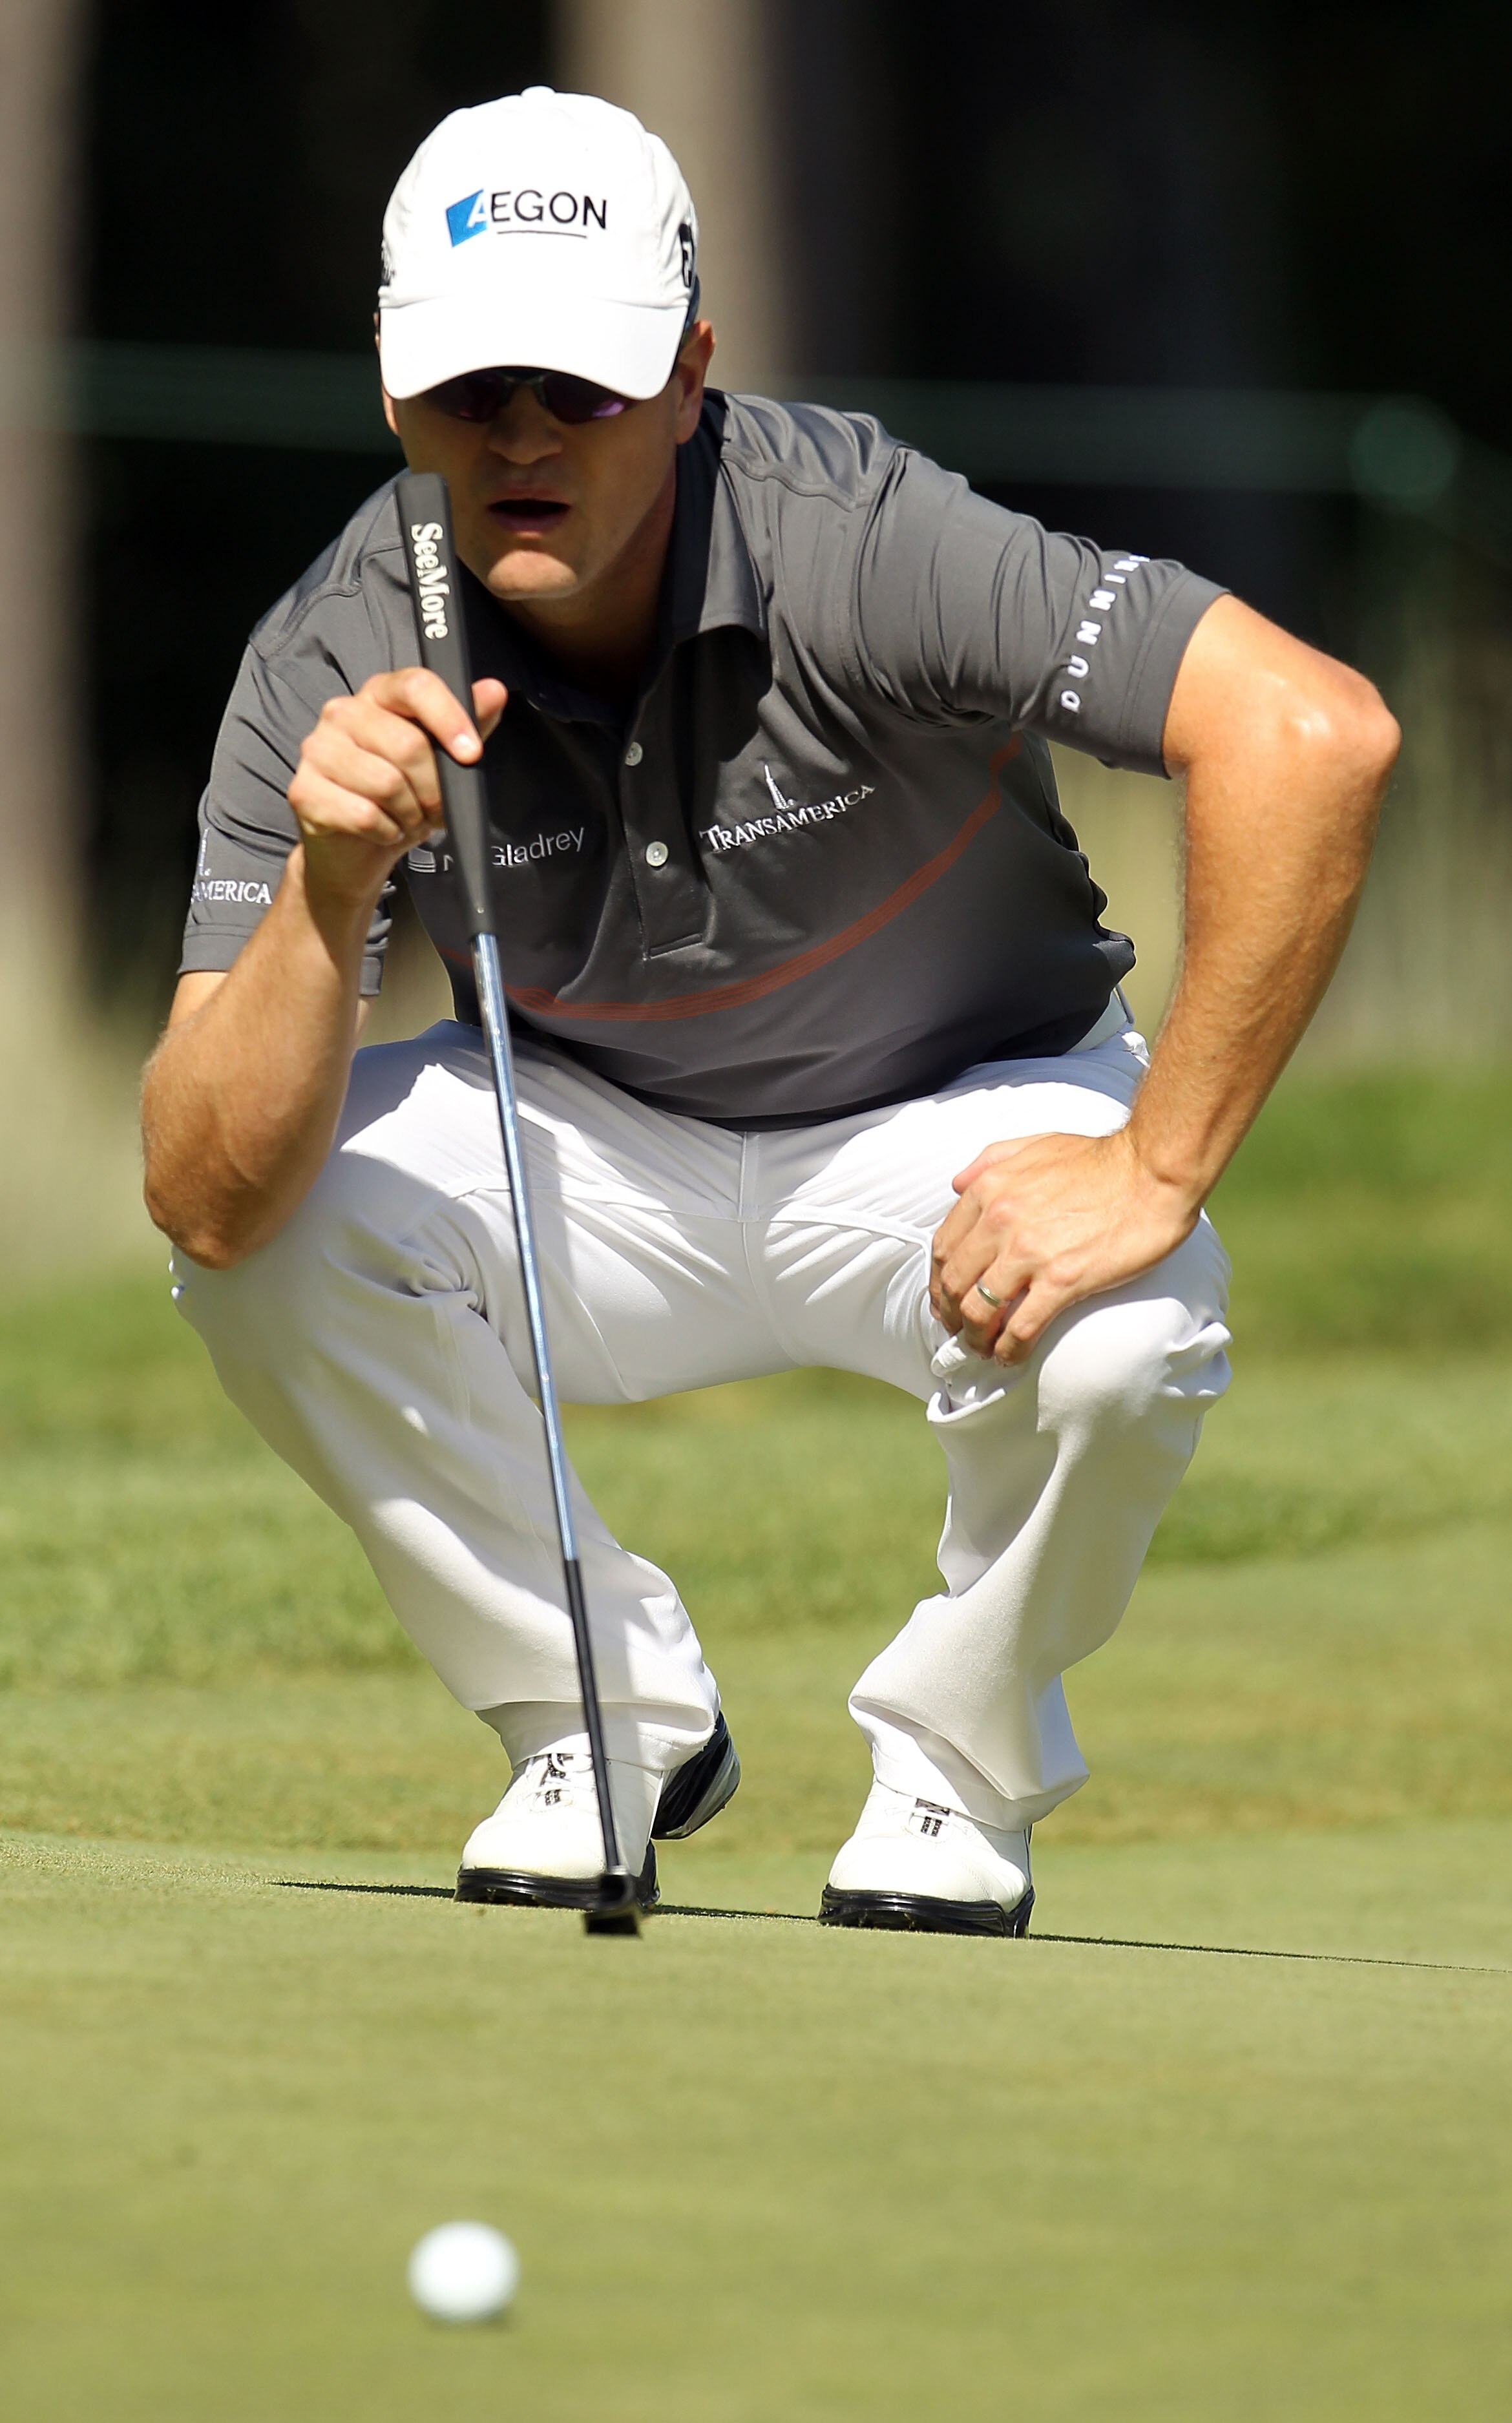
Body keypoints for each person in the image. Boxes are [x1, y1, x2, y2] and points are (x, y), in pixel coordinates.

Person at [142, 87, 1397, 1935]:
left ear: (687, 373)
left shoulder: (858, 535)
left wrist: (1149, 1162)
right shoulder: (339, 636)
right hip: (594, 1147)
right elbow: (205, 1192)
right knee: (274, 1241)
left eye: (578, 384)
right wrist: (332, 899)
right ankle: (604, 1718)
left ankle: (956, 1773)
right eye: (470, 387)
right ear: (393, 395)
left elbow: (1310, 731)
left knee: (1133, 1327)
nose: (520, 436)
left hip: (953, 1118)